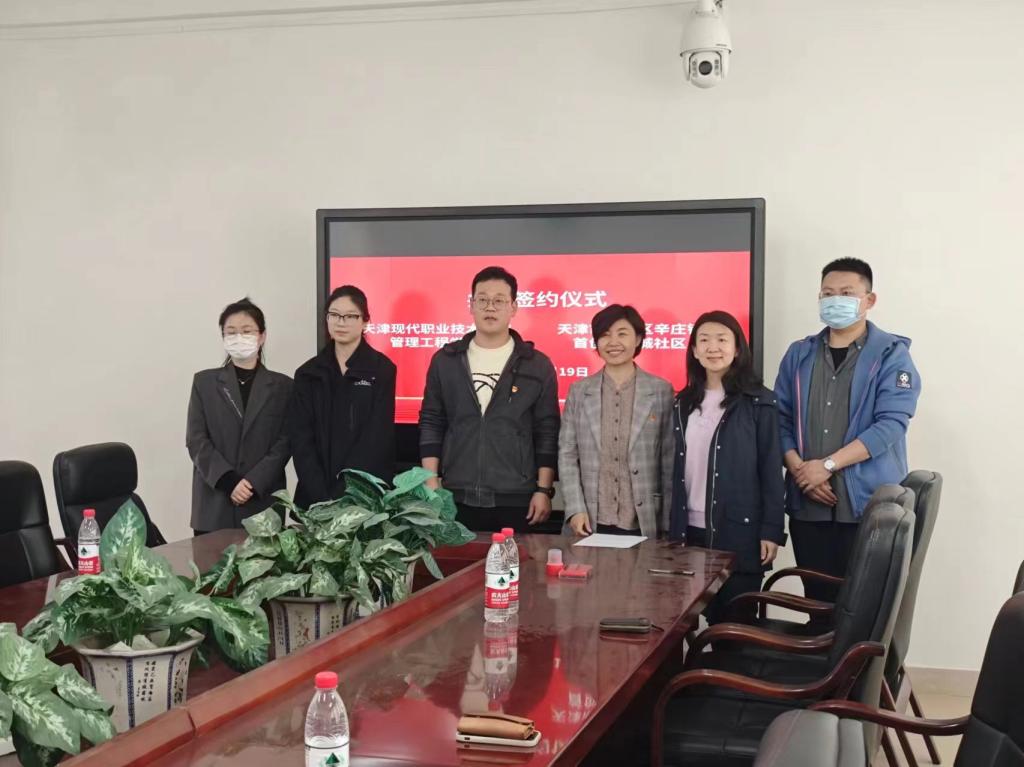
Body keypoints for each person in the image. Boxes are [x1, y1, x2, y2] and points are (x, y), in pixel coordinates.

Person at [775, 257, 921, 613]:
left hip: (868, 508)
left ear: (869, 300)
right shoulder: (799, 353)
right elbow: (779, 419)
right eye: (827, 294)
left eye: (846, 293)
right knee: (817, 607)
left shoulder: (892, 355)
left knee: (863, 612)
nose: (835, 300)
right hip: (809, 505)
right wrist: (801, 471)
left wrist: (826, 466)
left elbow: (891, 425)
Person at [419, 266, 560, 533]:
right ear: (471, 305)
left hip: (517, 497)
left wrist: (544, 489)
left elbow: (547, 430)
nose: (490, 307)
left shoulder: (537, 365)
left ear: (513, 307)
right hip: (455, 494)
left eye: (499, 300)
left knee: (514, 562)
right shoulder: (446, 360)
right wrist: (431, 481)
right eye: (482, 299)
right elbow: (431, 421)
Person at [669, 310, 785, 623]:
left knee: (734, 626)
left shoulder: (760, 402)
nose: (713, 347)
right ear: (694, 350)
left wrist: (771, 530)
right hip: (688, 532)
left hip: (739, 531)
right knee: (686, 625)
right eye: (704, 340)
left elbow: (771, 471)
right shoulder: (682, 403)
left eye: (722, 339)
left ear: (737, 349)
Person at [558, 304, 675, 538]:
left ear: (638, 339)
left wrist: (666, 522)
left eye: (622, 334)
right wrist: (575, 508)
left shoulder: (661, 390)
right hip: (590, 519)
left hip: (644, 519)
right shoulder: (579, 391)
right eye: (604, 335)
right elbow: (568, 454)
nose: (613, 342)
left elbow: (668, 459)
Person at [186, 298, 293, 534]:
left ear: (262, 336)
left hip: (262, 503)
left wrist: (253, 483)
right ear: (223, 337)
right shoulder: (204, 383)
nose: (239, 337)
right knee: (209, 559)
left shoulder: (283, 386)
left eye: (247, 331)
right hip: (214, 504)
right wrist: (229, 481)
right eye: (231, 332)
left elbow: (285, 442)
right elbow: (196, 440)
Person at [290, 285, 397, 508]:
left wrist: (346, 493)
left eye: (350, 316)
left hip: (364, 496)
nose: (341, 322)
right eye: (335, 315)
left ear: (365, 321)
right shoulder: (308, 373)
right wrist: (321, 496)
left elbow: (377, 438)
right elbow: (301, 439)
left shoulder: (382, 370)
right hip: (315, 499)